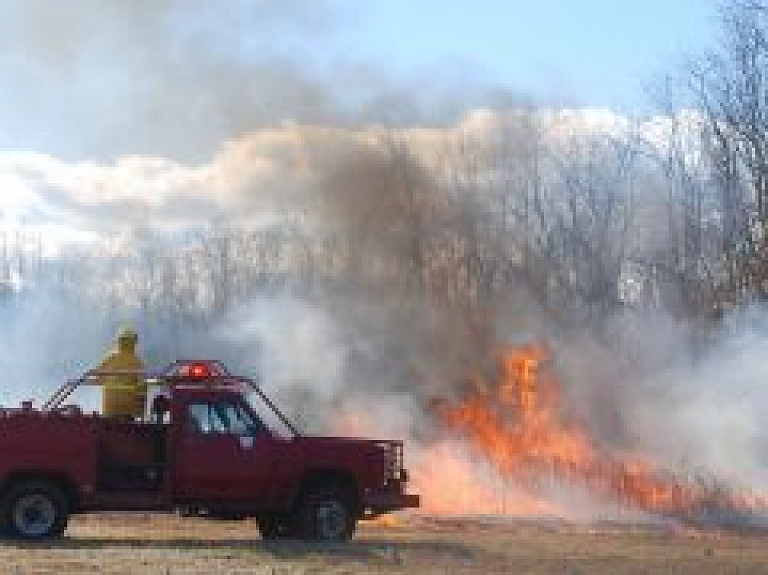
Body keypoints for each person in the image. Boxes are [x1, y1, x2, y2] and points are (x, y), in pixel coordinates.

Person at [96, 326, 146, 419]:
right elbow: (142, 387)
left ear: (119, 341)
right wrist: (140, 412)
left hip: (109, 409)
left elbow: (97, 378)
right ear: (134, 342)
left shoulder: (110, 358)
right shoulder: (137, 362)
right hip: (127, 410)